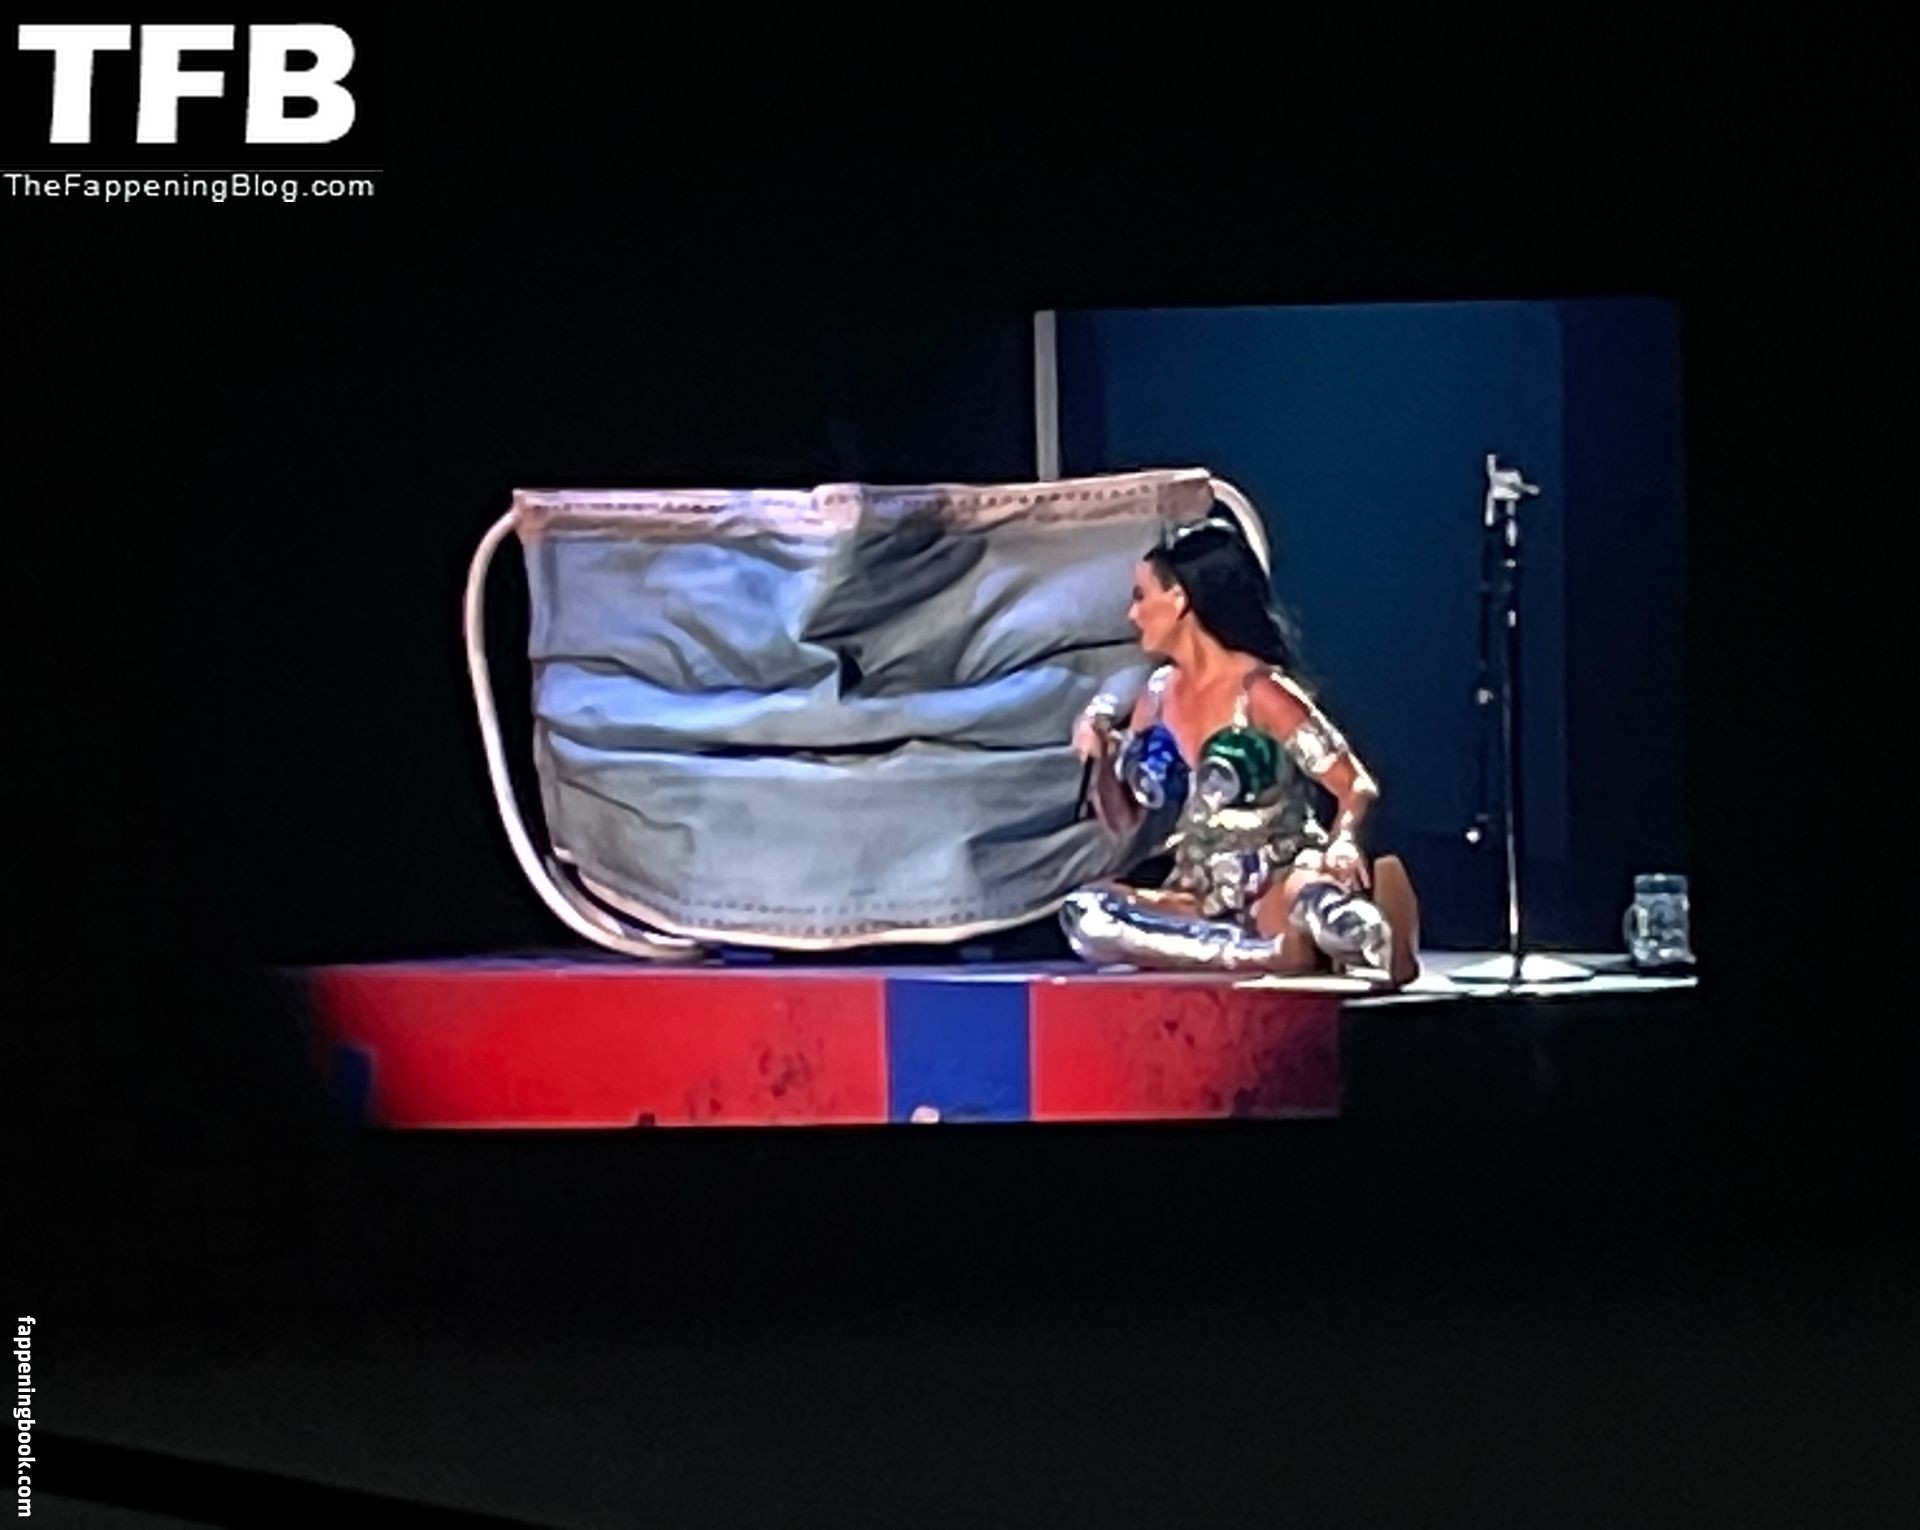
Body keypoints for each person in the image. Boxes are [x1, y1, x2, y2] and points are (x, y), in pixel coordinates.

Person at [1062, 513, 1421, 985]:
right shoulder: (1158, 695)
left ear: (1179, 599)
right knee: (1087, 913)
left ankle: (1376, 938)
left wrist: (1344, 840)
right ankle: (1268, 955)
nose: (1132, 614)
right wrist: (1103, 755)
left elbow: (1354, 783)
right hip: (1198, 895)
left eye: (1141, 596)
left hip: (1277, 882)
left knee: (1323, 910)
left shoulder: (1262, 691)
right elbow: (1124, 820)